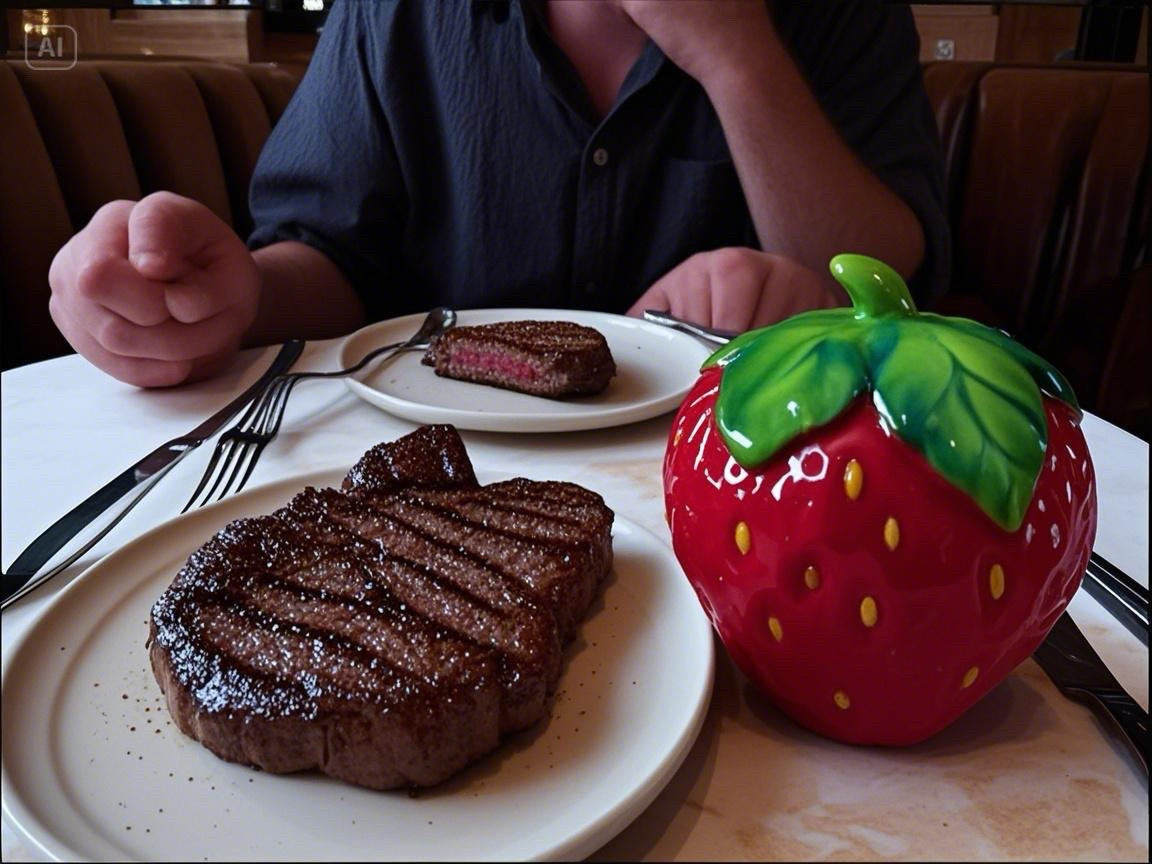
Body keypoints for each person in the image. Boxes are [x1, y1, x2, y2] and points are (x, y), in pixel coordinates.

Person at [46, 0, 949, 388]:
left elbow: (887, 272)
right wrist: (230, 296)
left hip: (744, 469)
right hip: (428, 482)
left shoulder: (841, 15)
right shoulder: (396, 12)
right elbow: (328, 251)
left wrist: (735, 56)